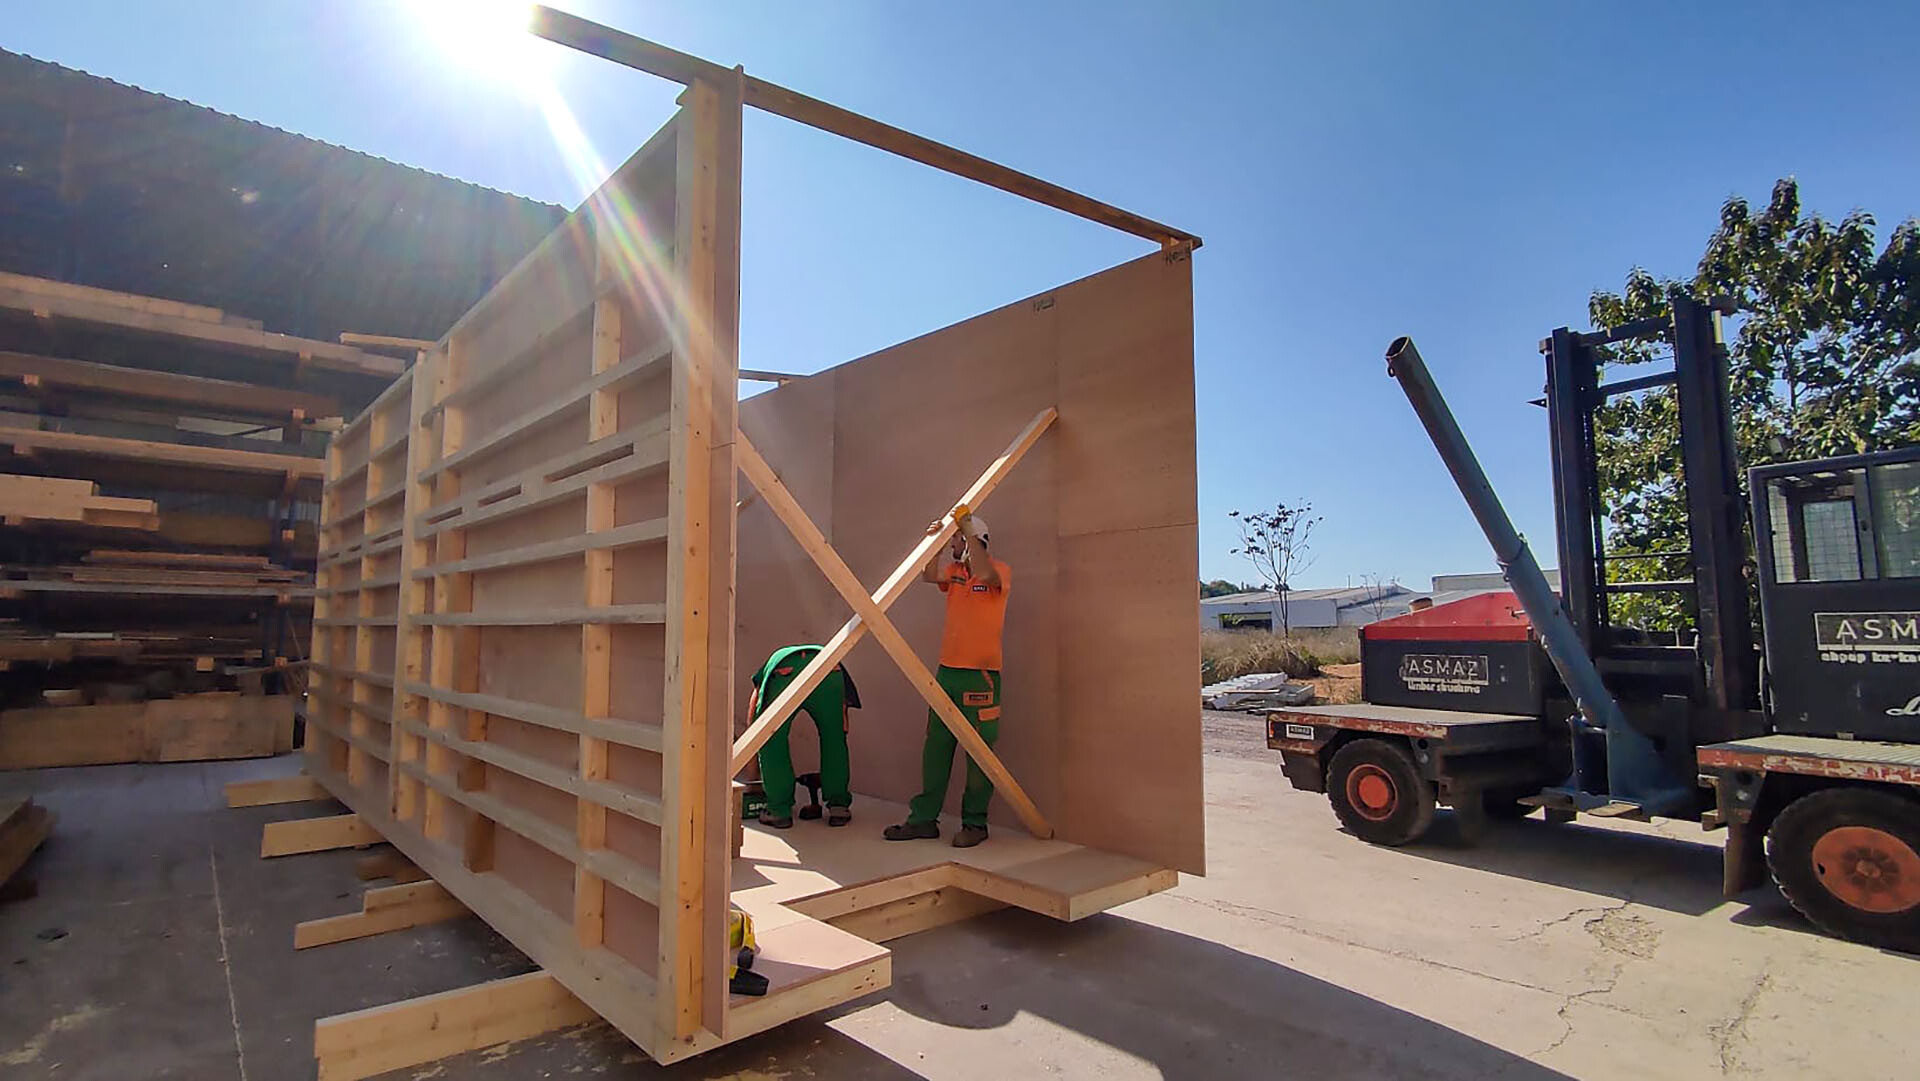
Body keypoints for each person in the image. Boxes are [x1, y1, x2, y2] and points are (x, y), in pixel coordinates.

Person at [884, 513, 1009, 848]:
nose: (953, 544)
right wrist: (934, 544)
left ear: (975, 540)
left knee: (978, 753)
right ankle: (924, 819)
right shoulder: (954, 573)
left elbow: (986, 574)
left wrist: (966, 530)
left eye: (956, 540)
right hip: (947, 673)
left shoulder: (998, 572)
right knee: (936, 748)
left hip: (980, 679)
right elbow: (927, 575)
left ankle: (975, 824)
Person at [750, 644, 858, 829]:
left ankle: (779, 811)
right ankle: (839, 807)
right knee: (834, 739)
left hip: (785, 670)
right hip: (830, 667)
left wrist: (752, 777)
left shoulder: (765, 674)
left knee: (771, 739)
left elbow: (754, 724)